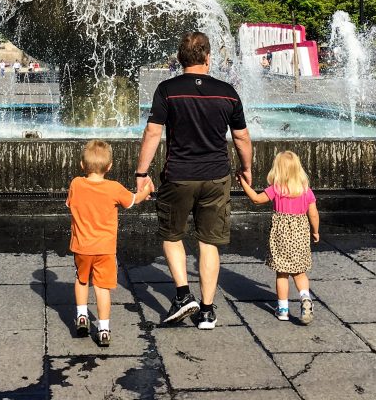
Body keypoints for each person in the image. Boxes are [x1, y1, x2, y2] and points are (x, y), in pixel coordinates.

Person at [135, 31, 253, 330]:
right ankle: (208, 311)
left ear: (179, 58)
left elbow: (152, 132)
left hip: (179, 175)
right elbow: (240, 136)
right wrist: (247, 167)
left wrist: (141, 173)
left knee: (172, 236)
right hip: (216, 175)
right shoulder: (227, 92)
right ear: (208, 57)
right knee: (209, 242)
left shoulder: (167, 89)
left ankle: (183, 294)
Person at [66, 139, 152, 347]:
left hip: (82, 246)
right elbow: (134, 200)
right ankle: (103, 329)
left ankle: (82, 316)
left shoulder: (76, 184)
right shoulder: (114, 188)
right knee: (102, 288)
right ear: (110, 166)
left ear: (82, 165)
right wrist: (147, 190)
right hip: (105, 249)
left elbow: (70, 204)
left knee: (82, 279)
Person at [238, 150, 320, 323]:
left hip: (281, 237)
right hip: (300, 236)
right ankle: (305, 298)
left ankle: (283, 309)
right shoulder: (306, 190)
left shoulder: (277, 189)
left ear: (277, 170)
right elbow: (313, 214)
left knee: (282, 274)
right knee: (299, 273)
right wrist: (315, 231)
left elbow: (256, 199)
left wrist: (243, 183)